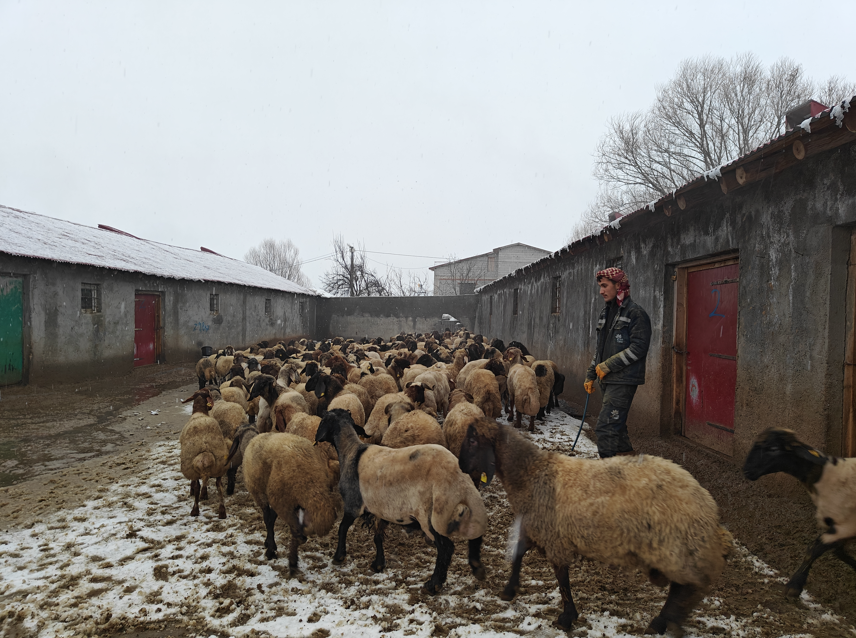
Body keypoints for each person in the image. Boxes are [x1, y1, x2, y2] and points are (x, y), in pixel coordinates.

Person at [584, 268, 651, 458]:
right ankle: (630, 468)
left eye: (605, 286)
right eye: (600, 287)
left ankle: (609, 479)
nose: (601, 291)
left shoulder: (636, 314)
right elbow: (600, 349)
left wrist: (608, 365)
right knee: (618, 428)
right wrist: (591, 374)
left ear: (619, 285)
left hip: (623, 379)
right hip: (607, 379)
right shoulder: (606, 314)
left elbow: (639, 348)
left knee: (606, 429)